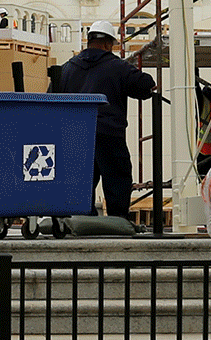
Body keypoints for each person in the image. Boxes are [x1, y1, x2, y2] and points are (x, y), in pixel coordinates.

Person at [50, 21, 157, 219]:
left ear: (89, 41)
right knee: (117, 180)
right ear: (108, 44)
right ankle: (117, 225)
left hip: (74, 135)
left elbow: (51, 100)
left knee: (80, 183)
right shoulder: (117, 67)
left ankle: (82, 223)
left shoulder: (66, 69)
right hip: (108, 134)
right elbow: (146, 86)